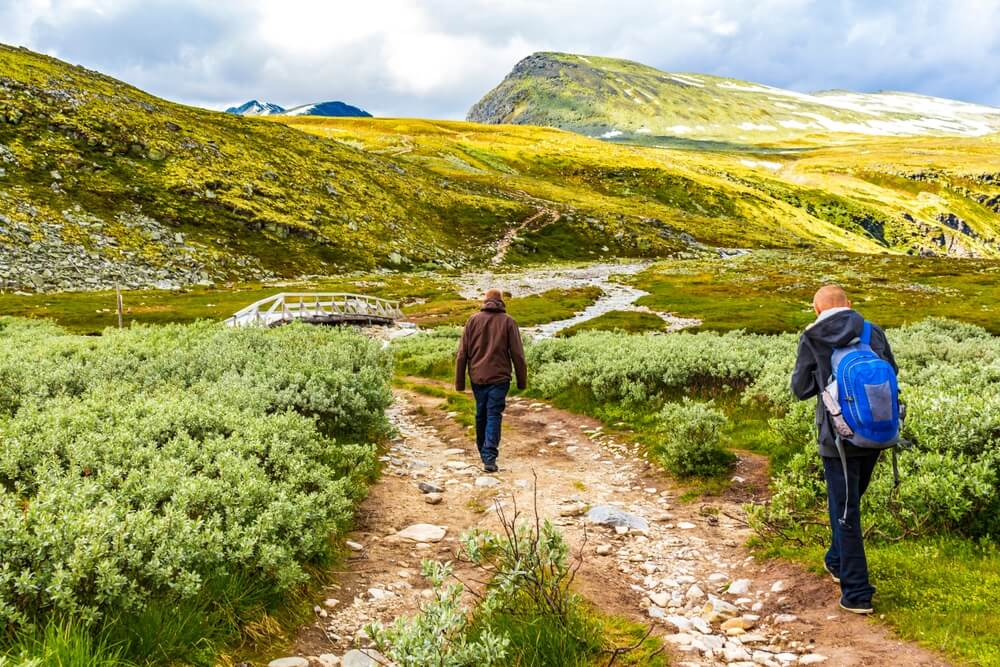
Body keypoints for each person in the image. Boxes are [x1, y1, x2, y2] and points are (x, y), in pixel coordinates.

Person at [790, 284, 898, 615]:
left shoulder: (812, 337)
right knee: (848, 505)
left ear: (816, 309)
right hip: (877, 432)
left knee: (846, 511)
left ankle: (857, 593)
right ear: (849, 304)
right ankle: (836, 561)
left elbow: (801, 389)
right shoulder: (872, 331)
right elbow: (891, 372)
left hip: (836, 439)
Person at [455, 288, 527, 473]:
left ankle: (484, 452)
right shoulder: (509, 322)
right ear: (501, 301)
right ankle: (489, 456)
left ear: (485, 301)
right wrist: (521, 381)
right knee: (494, 414)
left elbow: (462, 353)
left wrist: (460, 383)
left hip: (477, 377)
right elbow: (518, 355)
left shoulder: (473, 320)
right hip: (500, 378)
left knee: (481, 413)